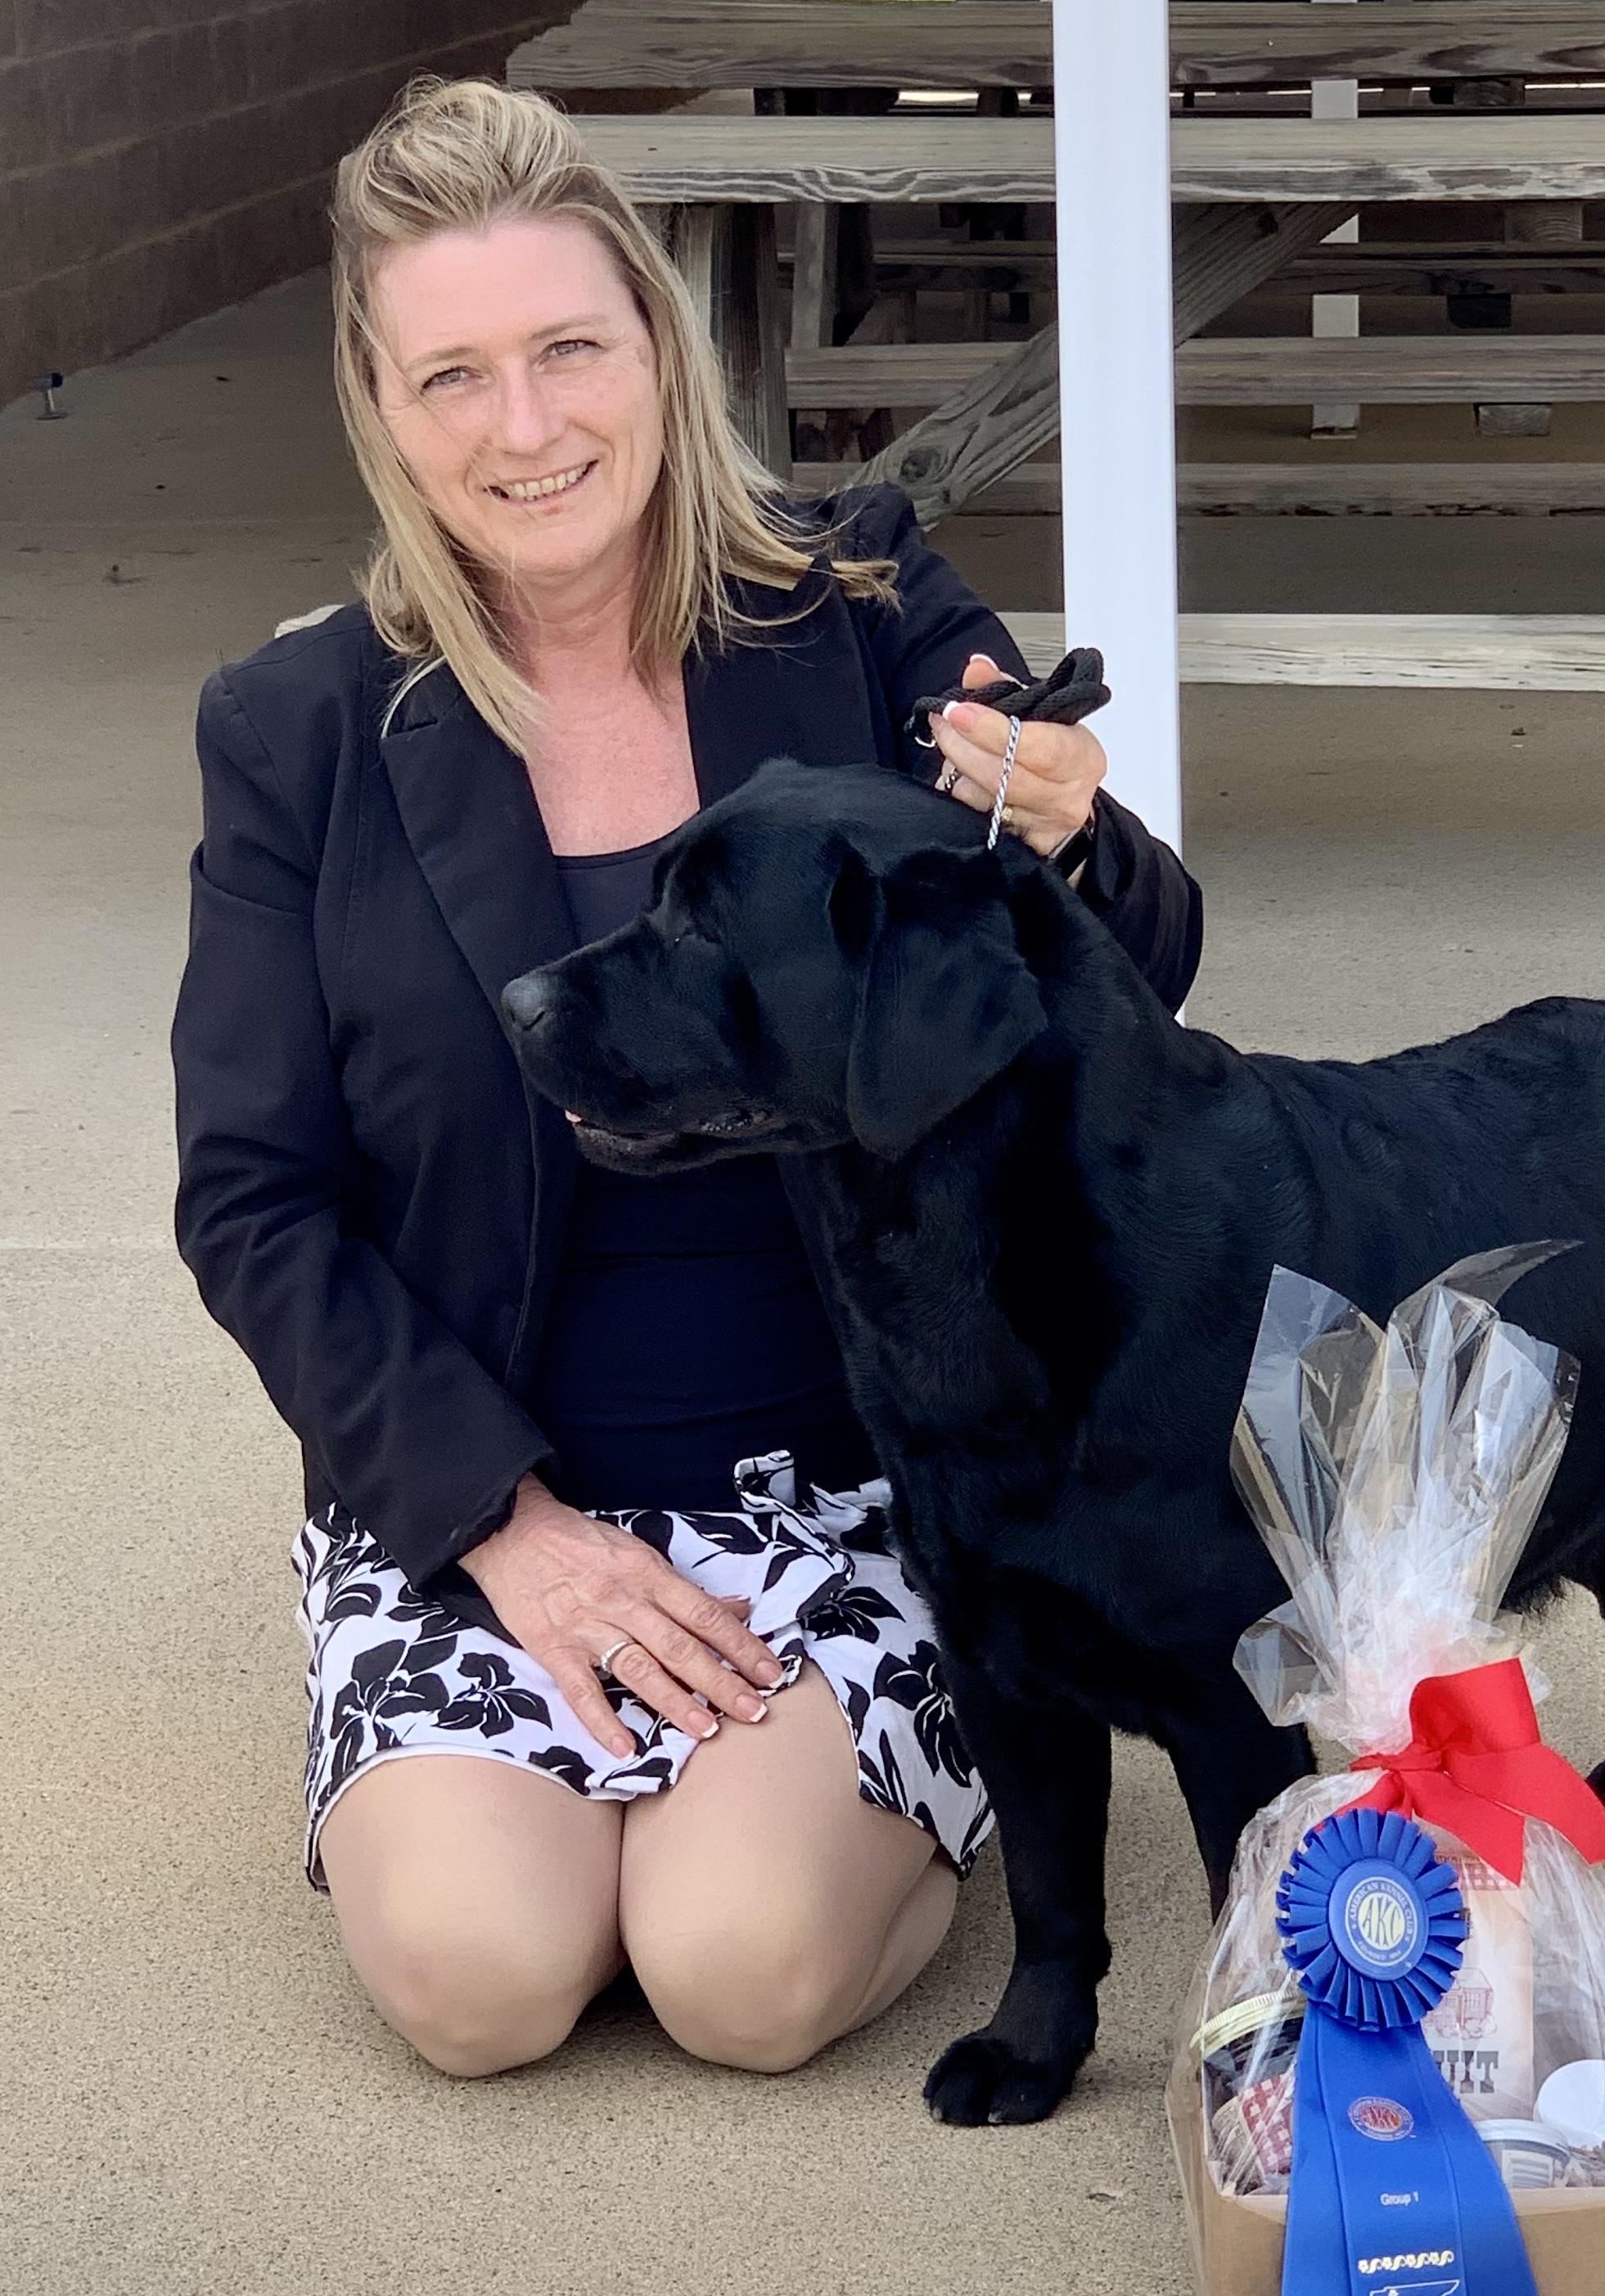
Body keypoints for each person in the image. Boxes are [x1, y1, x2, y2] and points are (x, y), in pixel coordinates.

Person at [172, 77, 1204, 2084]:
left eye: (570, 347)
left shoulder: (859, 600)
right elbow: (251, 1196)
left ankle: (934, 1743)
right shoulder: (298, 724)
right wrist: (505, 1526)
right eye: (453, 375)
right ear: (378, 405)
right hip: (483, 1493)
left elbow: (1126, 983)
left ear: (657, 339)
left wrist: (1073, 832)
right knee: (482, 1980)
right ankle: (618, 1744)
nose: (527, 426)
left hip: (861, 1456)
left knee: (737, 1970)